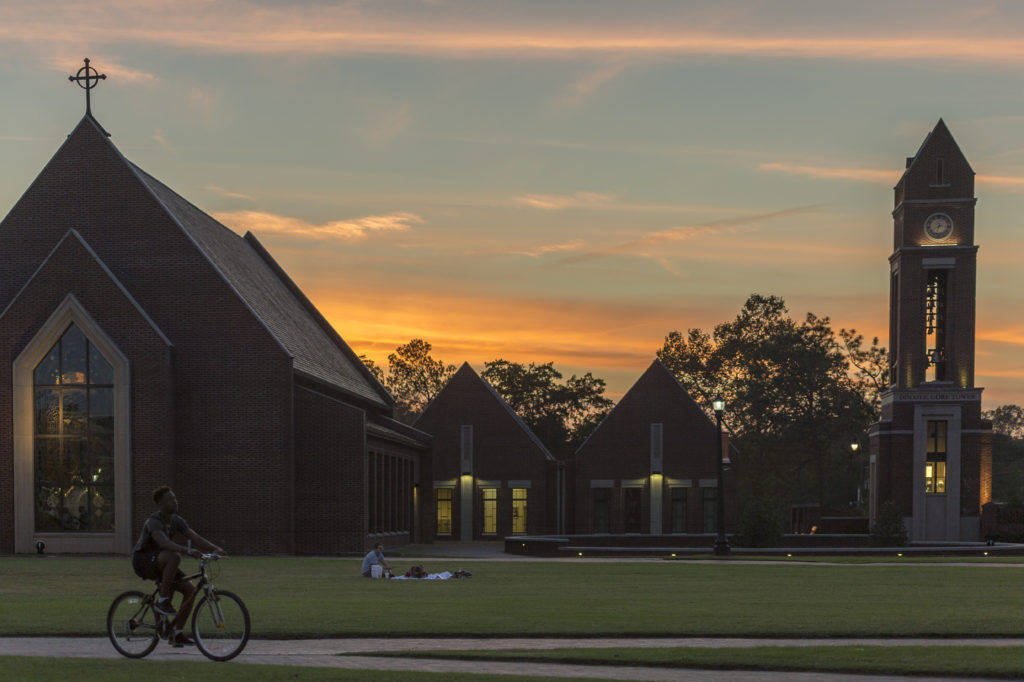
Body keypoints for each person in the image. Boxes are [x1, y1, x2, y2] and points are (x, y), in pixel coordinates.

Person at [130, 486, 225, 647]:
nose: (174, 501)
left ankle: (177, 633)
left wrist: (216, 549)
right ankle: (163, 601)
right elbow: (163, 542)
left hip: (162, 562)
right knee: (174, 557)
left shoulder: (176, 520)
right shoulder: (154, 521)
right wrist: (187, 550)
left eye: (174, 498)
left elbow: (195, 538)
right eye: (169, 499)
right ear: (160, 504)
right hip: (143, 561)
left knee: (190, 590)